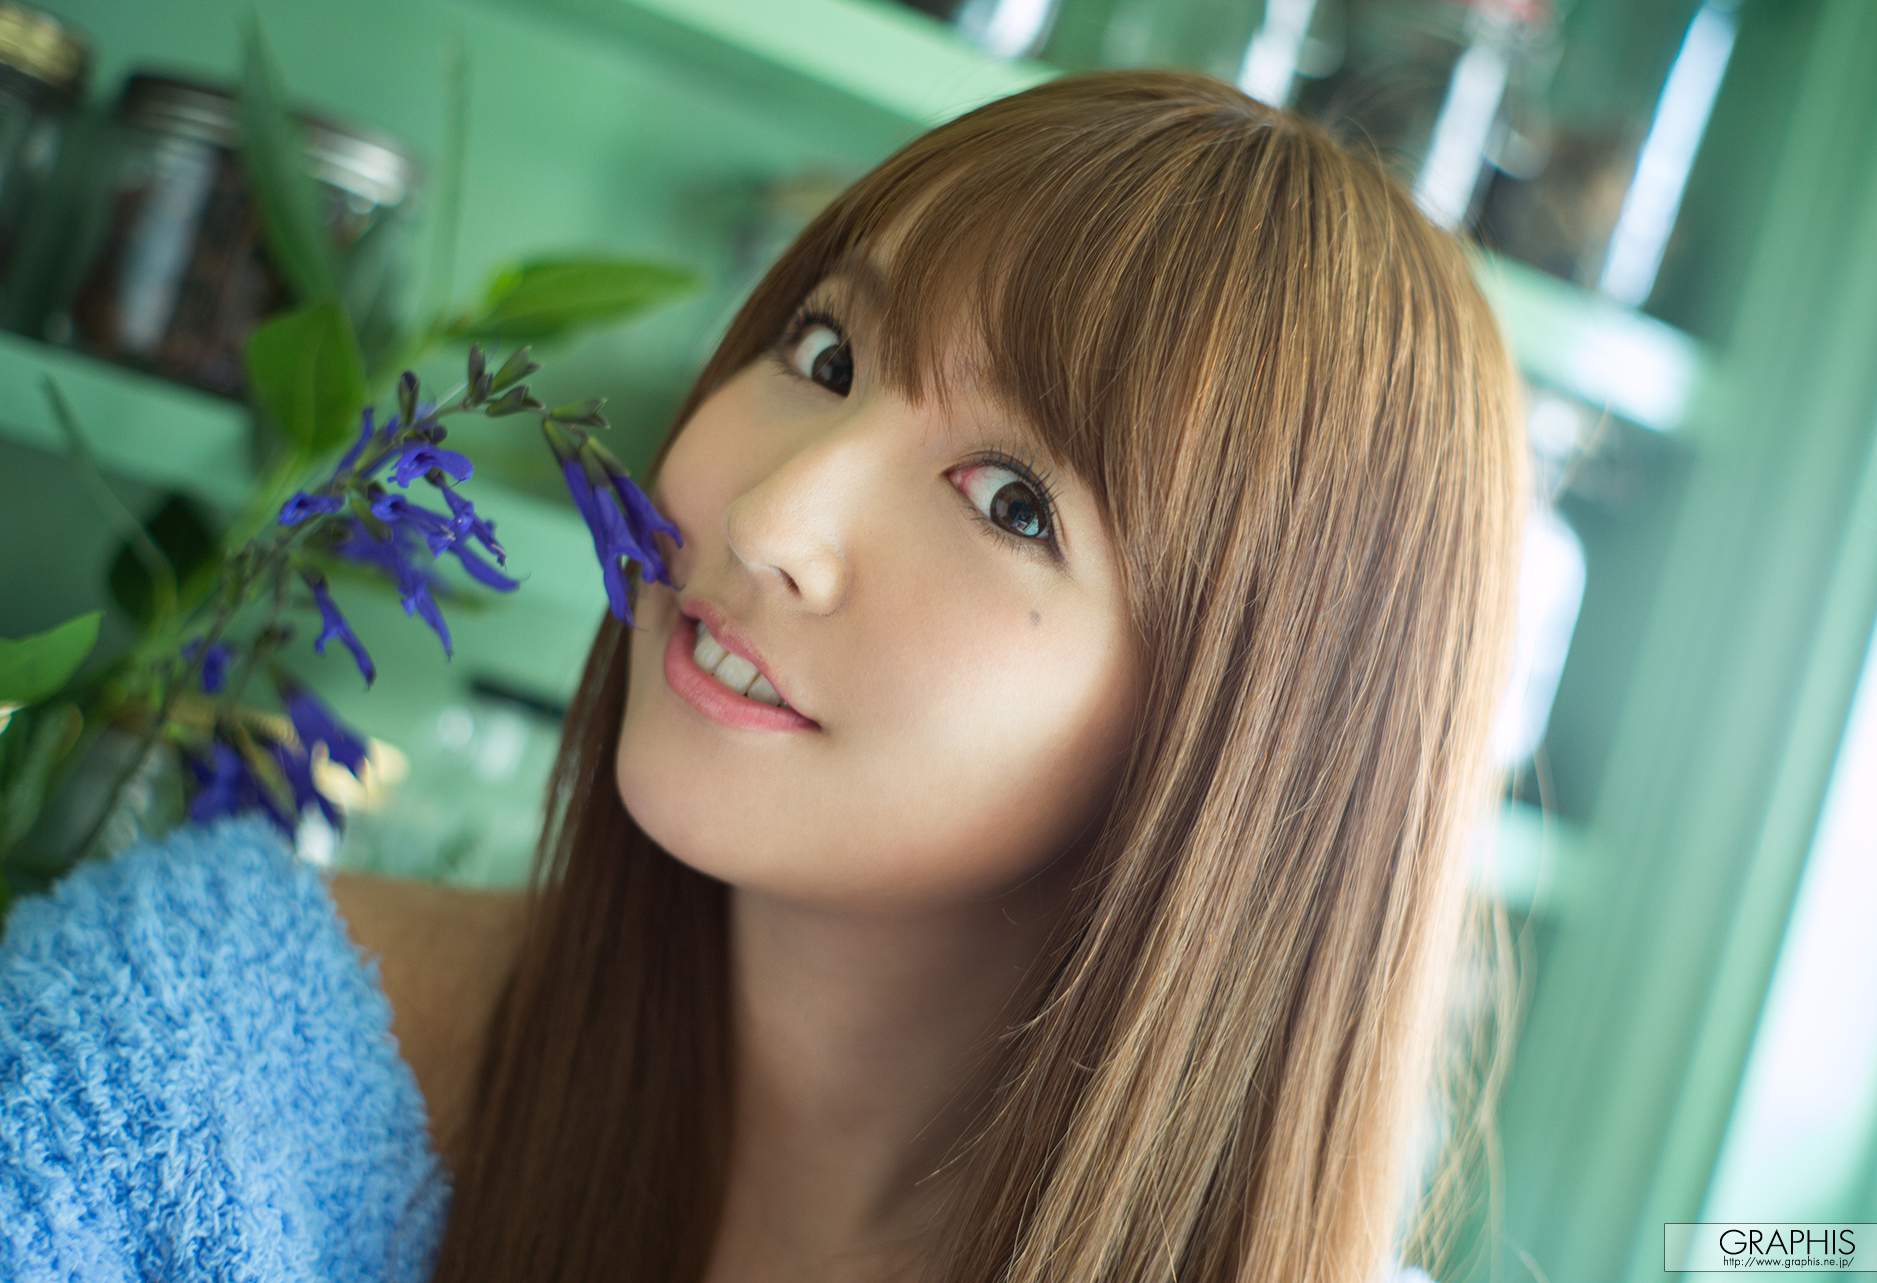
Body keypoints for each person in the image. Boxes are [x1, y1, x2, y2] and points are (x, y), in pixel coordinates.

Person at [1, 67, 1530, 1283]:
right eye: (825, 355)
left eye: (1014, 503)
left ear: (1247, 754)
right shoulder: (192, 1062)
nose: (771, 518)